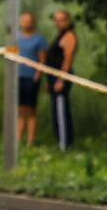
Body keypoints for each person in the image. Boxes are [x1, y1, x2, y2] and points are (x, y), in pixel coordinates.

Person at [46, 10, 78, 151]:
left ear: (68, 20)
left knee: (61, 111)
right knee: (56, 110)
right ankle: (61, 142)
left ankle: (65, 145)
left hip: (61, 78)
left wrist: (61, 80)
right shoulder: (60, 36)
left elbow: (68, 59)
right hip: (53, 77)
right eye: (56, 20)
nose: (58, 23)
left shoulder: (69, 36)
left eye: (62, 20)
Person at [16, 12, 48, 146]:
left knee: (31, 110)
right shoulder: (15, 37)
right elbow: (12, 54)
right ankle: (17, 141)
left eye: (29, 21)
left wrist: (38, 75)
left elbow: (42, 59)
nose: (26, 24)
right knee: (20, 110)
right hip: (18, 77)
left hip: (31, 78)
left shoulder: (39, 39)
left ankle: (30, 142)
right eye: (24, 21)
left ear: (33, 22)